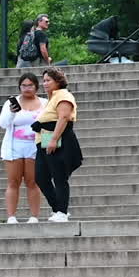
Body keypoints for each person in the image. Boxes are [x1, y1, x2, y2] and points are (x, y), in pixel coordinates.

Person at [31, 67, 81, 223]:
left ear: (58, 81)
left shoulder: (63, 95)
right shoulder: (52, 98)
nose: (45, 83)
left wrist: (53, 139)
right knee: (41, 176)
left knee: (59, 176)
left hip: (57, 137)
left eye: (48, 80)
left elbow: (64, 117)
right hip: (44, 138)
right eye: (44, 80)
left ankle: (62, 211)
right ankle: (57, 208)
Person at [0, 73, 45, 224]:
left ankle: (34, 216)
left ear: (36, 87)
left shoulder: (45, 103)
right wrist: (12, 113)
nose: (27, 88)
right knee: (13, 181)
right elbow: (3, 124)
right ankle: (11, 216)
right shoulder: (11, 104)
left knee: (33, 181)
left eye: (30, 85)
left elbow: (50, 124)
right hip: (14, 146)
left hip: (35, 146)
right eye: (24, 85)